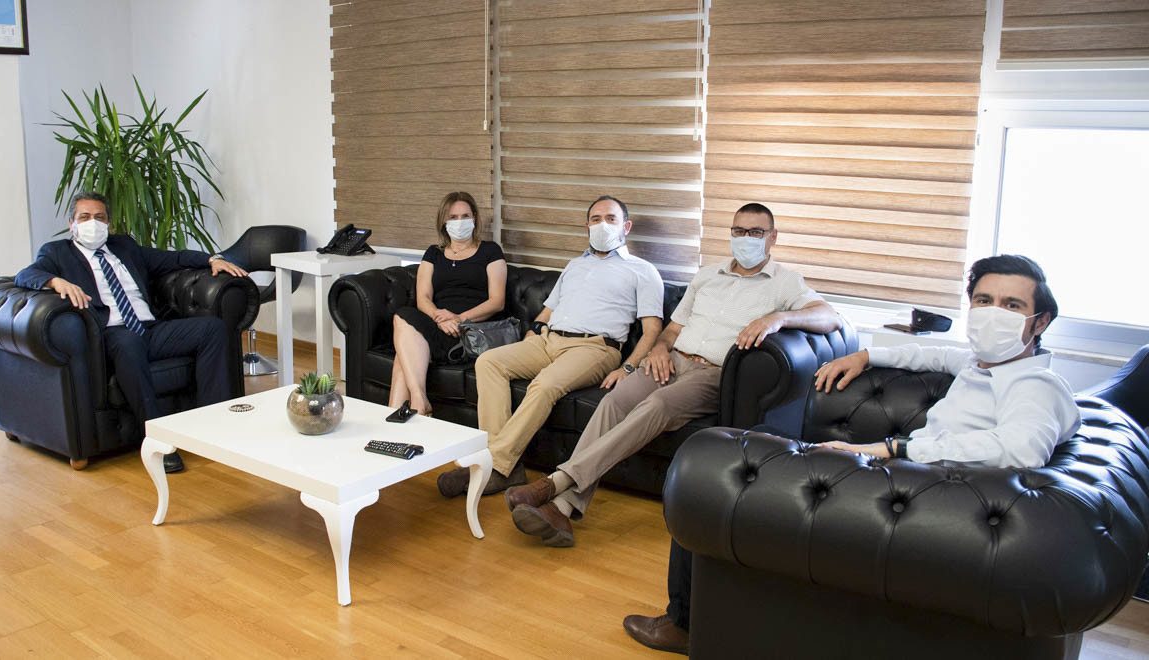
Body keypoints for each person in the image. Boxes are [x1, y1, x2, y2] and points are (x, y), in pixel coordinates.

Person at [622, 254, 1081, 655]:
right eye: (983, 301)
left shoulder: (1036, 383)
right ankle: (696, 618)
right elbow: (935, 356)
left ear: (1039, 322)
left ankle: (684, 624)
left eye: (1011, 305)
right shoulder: (983, 366)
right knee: (747, 441)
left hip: (924, 505)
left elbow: (1020, 449)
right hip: (907, 487)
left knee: (712, 476)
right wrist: (864, 356)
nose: (993, 314)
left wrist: (890, 448)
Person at [503, 202, 841, 547]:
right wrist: (660, 349)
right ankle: (562, 509)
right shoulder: (707, 275)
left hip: (713, 373)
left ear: (773, 237)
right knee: (614, 401)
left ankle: (555, 483)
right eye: (739, 231)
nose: (746, 238)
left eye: (756, 232)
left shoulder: (784, 283)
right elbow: (673, 328)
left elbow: (830, 317)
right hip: (672, 361)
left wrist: (777, 319)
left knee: (658, 405)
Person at [436, 196, 664, 498]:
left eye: (611, 219)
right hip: (548, 340)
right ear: (587, 226)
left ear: (626, 226)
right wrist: (534, 332)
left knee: (544, 385)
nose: (603, 225)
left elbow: (652, 331)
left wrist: (628, 367)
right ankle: (506, 467)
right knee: (488, 362)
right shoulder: (575, 265)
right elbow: (548, 310)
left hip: (595, 348)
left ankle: (493, 466)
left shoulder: (643, 270)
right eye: (596, 219)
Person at [15, 191, 248, 473]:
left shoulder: (124, 246)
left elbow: (173, 258)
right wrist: (55, 282)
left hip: (150, 329)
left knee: (212, 329)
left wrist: (211, 259)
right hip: (111, 334)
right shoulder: (57, 253)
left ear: (109, 223)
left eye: (99, 217)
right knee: (128, 342)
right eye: (84, 217)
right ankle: (159, 440)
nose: (92, 223)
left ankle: (214, 424)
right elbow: (25, 275)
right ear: (71, 224)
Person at [389, 192, 506, 416]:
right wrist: (439, 318)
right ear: (444, 221)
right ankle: (418, 401)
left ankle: (404, 412)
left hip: (469, 331)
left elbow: (497, 301)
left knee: (402, 357)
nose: (460, 222)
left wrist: (459, 318)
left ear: (474, 218)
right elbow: (423, 298)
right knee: (402, 315)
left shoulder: (491, 251)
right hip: (438, 325)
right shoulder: (433, 253)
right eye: (453, 217)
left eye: (465, 216)